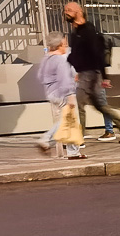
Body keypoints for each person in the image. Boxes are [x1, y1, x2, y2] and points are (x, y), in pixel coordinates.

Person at [63, 1, 120, 144]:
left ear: (79, 11)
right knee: (89, 106)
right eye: (65, 10)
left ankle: (80, 139)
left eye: (69, 10)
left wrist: (104, 77)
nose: (66, 13)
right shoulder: (75, 33)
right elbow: (76, 55)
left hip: (92, 74)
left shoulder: (88, 30)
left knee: (89, 105)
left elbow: (97, 54)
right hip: (84, 74)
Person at [36, 32, 84, 160]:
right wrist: (70, 96)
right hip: (62, 93)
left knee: (67, 120)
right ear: (59, 45)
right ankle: (47, 140)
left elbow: (40, 76)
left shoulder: (46, 58)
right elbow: (65, 80)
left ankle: (70, 150)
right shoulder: (60, 60)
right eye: (64, 44)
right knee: (70, 121)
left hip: (51, 93)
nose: (66, 47)